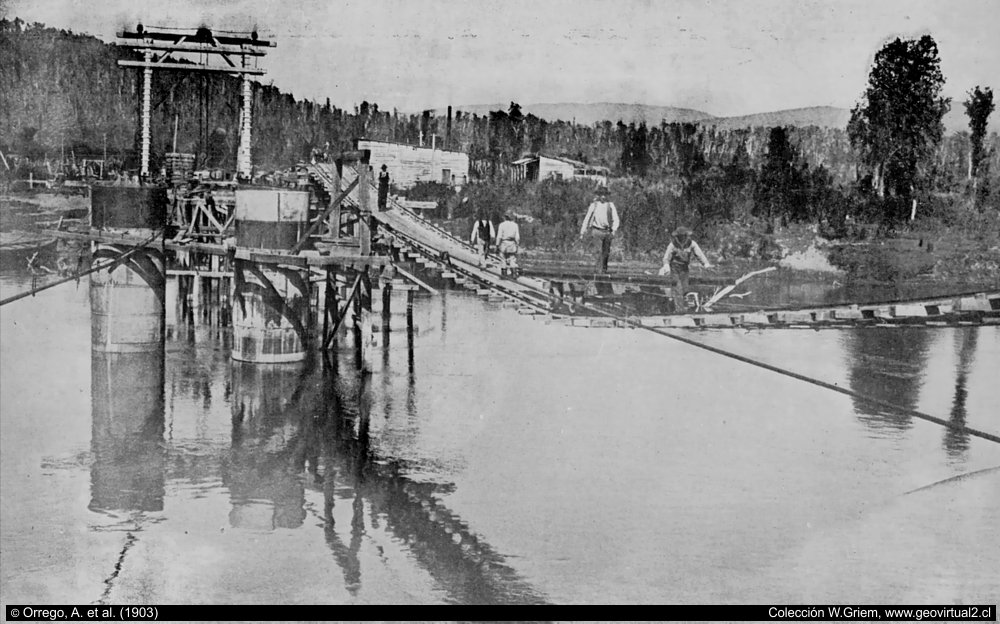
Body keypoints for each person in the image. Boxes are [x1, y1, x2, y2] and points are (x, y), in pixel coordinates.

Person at [658, 226, 713, 312]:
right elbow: (666, 258)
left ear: (686, 236)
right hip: (674, 268)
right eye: (680, 236)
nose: (682, 237)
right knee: (677, 289)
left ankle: (685, 308)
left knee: (685, 289)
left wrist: (706, 264)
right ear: (678, 236)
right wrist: (666, 266)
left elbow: (699, 254)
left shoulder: (692, 243)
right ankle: (679, 311)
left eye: (684, 236)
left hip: (684, 268)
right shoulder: (672, 245)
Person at [579, 186, 620, 272]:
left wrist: (614, 230)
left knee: (606, 253)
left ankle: (604, 271)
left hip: (607, 231)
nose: (603, 197)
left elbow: (616, 219)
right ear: (599, 195)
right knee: (598, 251)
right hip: (596, 231)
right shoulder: (594, 205)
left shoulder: (610, 205)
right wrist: (582, 232)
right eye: (601, 195)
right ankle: (598, 271)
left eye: (605, 195)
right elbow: (587, 218)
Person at [495, 213, 520, 278]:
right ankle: (514, 274)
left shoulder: (502, 225)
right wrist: (517, 244)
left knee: (503, 258)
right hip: (512, 243)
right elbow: (517, 237)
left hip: (504, 243)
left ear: (505, 217)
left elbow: (499, 236)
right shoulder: (515, 225)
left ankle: (504, 274)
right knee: (512, 258)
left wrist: (497, 245)